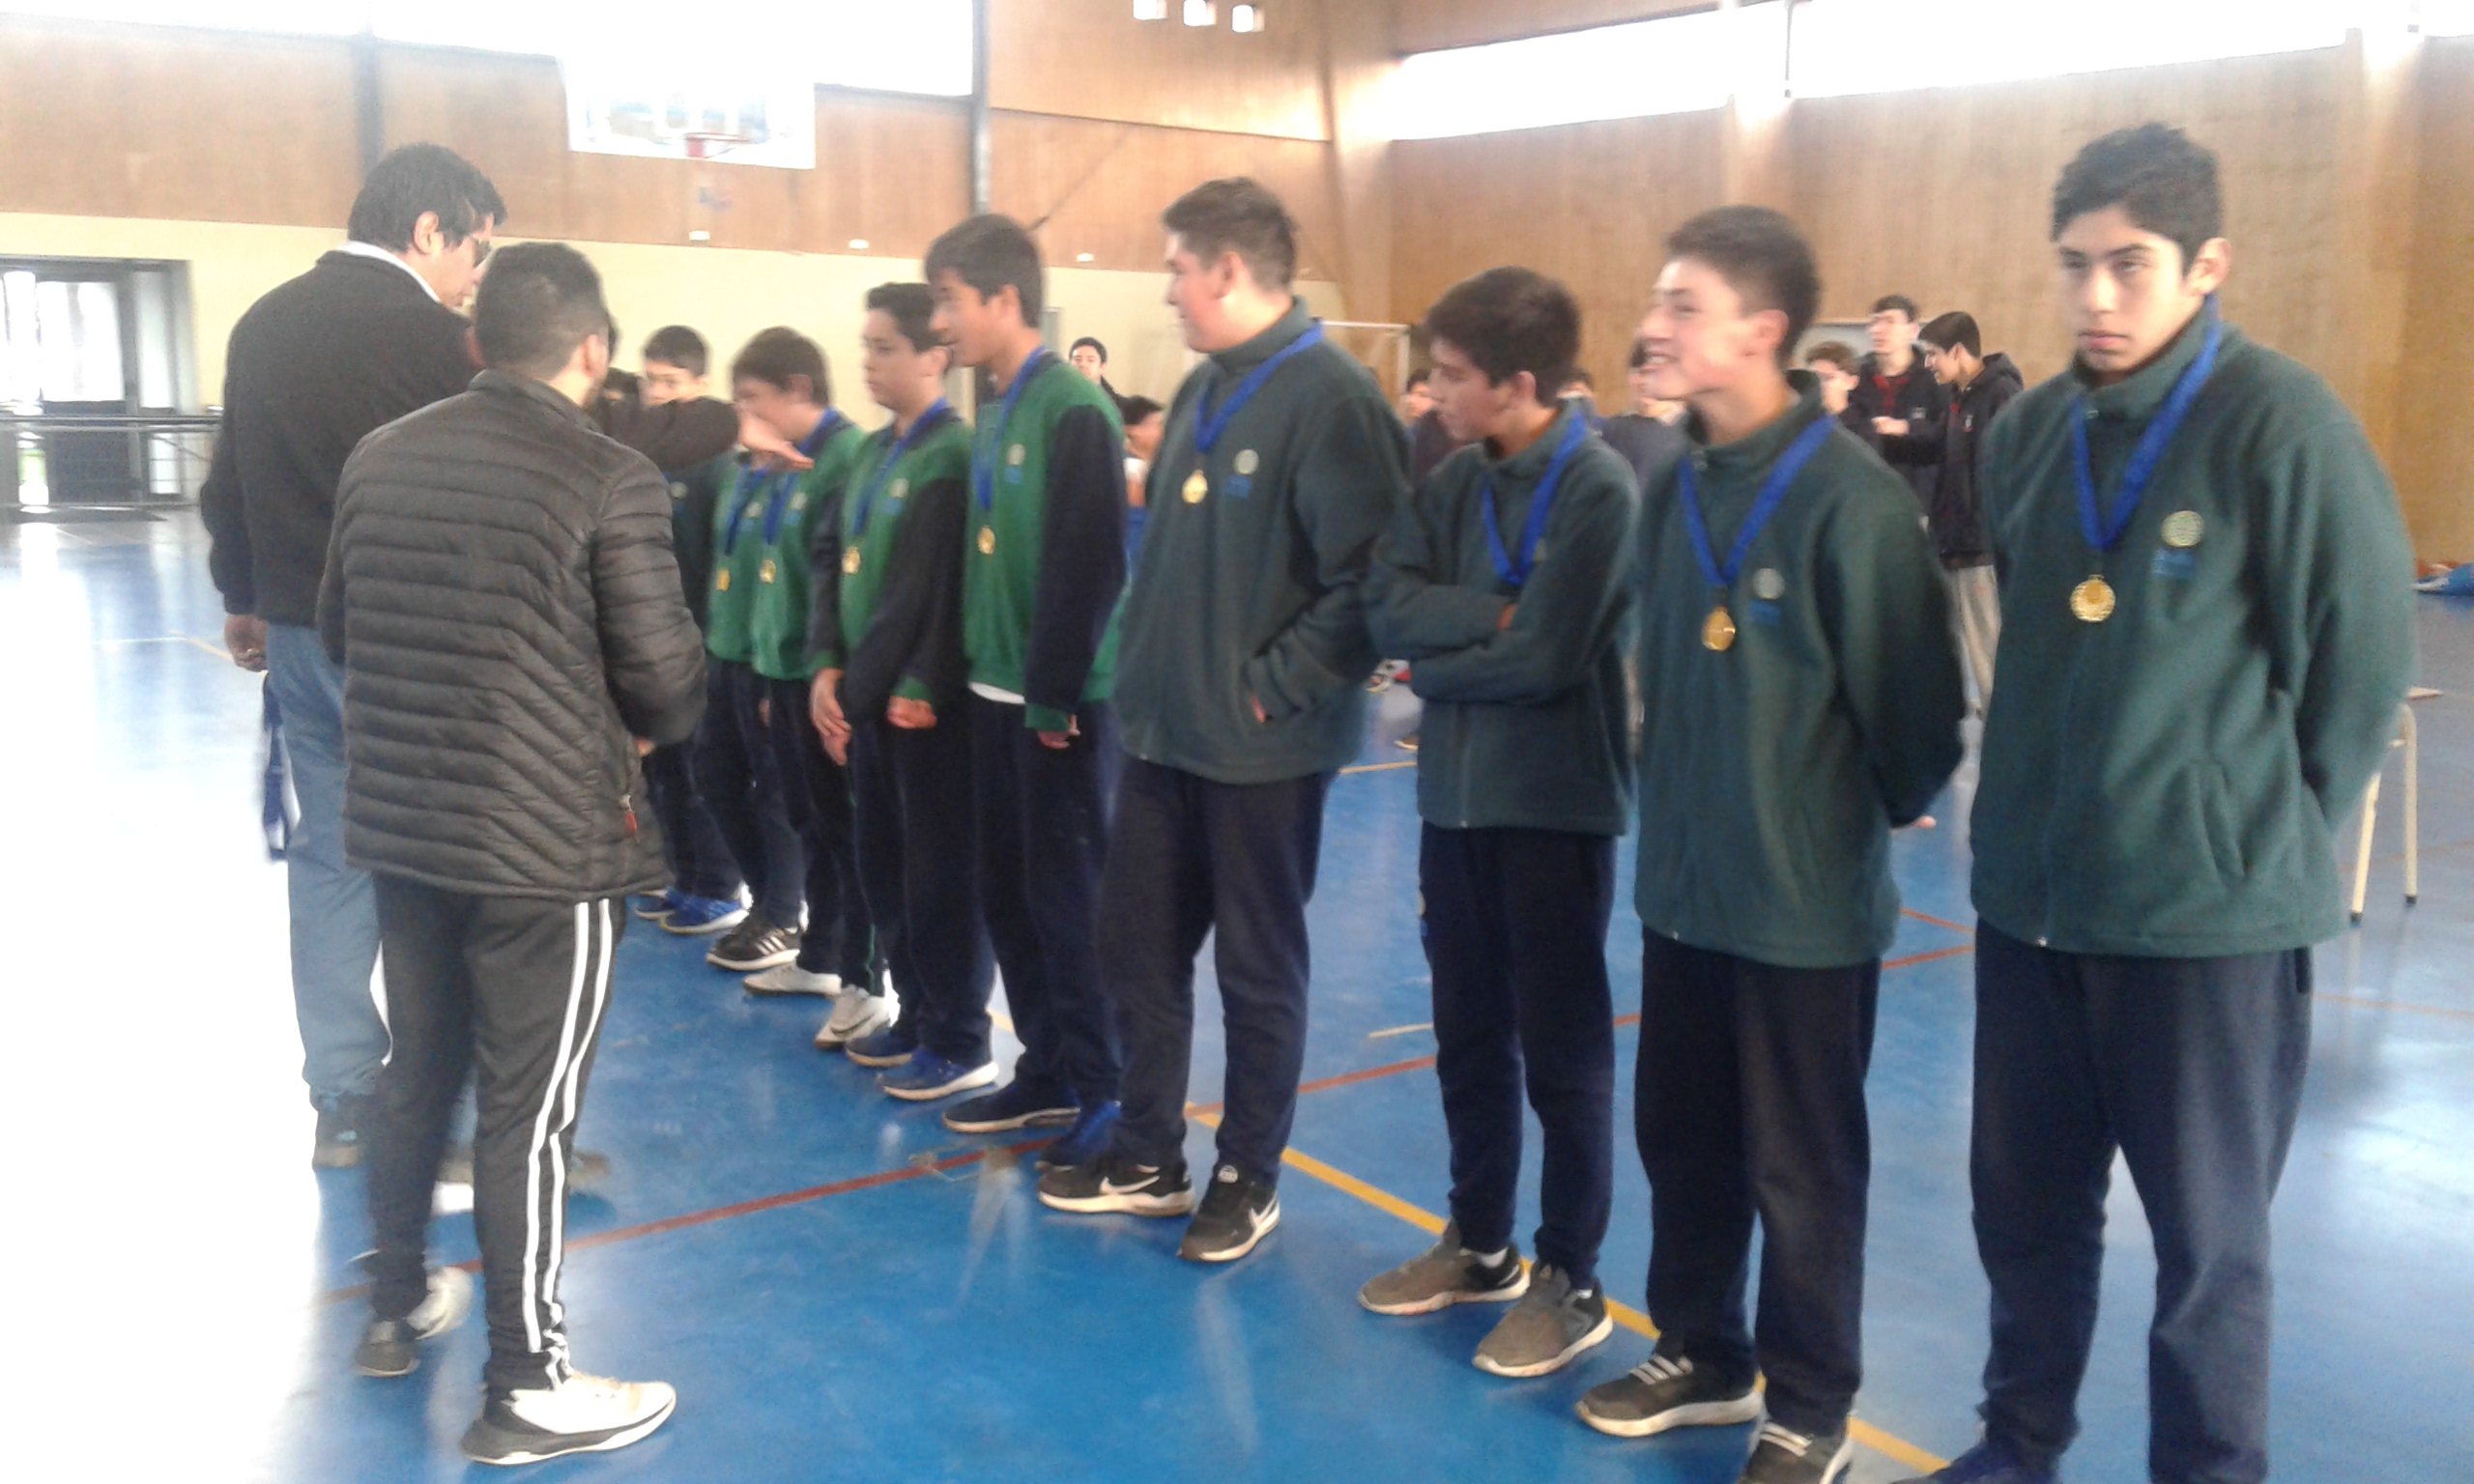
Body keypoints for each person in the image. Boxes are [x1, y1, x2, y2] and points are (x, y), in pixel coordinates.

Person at [1901, 124, 2416, 1484]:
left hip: (2204, 928)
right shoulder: (2030, 435)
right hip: (2033, 909)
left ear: (2207, 266)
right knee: (2024, 1215)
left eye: (2129, 265)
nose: (2096, 297)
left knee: (2206, 1250)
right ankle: (2019, 1444)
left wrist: (2249, 836)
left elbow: (2361, 665)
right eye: (2073, 265)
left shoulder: (2280, 424)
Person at [1575, 206, 1964, 1484]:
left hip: (1800, 911)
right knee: (1683, 1141)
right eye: (1660, 301)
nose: (1654, 325)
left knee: (1802, 1169)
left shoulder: (1851, 500)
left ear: (1764, 331)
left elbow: (1918, 718)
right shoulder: (1675, 482)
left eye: (1682, 305)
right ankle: (1702, 1352)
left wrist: (1821, 823)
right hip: (1684, 891)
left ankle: (1809, 1404)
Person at [321, 241, 699, 1465]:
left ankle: (394, 1303)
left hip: (412, 829)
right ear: (593, 349)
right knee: (529, 1116)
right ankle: (527, 1383)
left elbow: (340, 630)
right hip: (550, 850)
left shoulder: (381, 457)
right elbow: (665, 685)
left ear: (478, 343)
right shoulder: (609, 475)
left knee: (418, 1070)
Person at [1035, 177, 1408, 1263]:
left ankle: (1249, 1174)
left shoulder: (1334, 400)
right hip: (1164, 736)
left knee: (1255, 969)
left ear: (1229, 270)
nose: (1167, 293)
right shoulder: (1204, 386)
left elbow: (1370, 580)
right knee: (1137, 950)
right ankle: (1149, 1154)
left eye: (1176, 271)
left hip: (1261, 750)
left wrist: (1273, 684)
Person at [200, 143, 503, 1169]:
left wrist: (243, 595)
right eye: (476, 250)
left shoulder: (264, 321)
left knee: (331, 856)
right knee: (442, 864)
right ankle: (449, 1114)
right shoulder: (440, 342)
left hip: (300, 635)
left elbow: (229, 478)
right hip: (418, 642)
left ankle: (343, 1098)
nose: (476, 276)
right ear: (428, 230)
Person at [1361, 267, 1637, 1378]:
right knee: (1468, 1037)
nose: (1431, 393)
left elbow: (1548, 660)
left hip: (1552, 810)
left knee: (1562, 1054)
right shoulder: (1454, 479)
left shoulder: (1598, 490)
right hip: (1454, 807)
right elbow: (1386, 603)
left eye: (1450, 375)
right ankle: (1480, 1245)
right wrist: (1485, 618)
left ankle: (1571, 1278)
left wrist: (1435, 669)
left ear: (1518, 384)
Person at [920, 214, 1129, 1123]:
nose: (939, 323)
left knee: (1070, 906)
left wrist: (1052, 696)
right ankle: (1049, 1070)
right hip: (992, 696)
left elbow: (1089, 564)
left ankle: (1104, 1094)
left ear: (1003, 299)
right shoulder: (999, 407)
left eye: (949, 301)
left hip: (1059, 707)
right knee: (1009, 897)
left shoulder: (1074, 409)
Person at [807, 284, 992, 1075]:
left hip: (920, 708)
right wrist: (825, 663)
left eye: (885, 348)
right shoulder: (871, 451)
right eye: (867, 347)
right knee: (883, 863)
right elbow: (831, 561)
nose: (869, 363)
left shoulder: (950, 456)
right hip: (864, 696)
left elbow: (920, 598)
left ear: (935, 357)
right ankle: (916, 1013)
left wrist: (853, 696)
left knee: (938, 874)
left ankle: (961, 1035)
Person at [717, 329, 874, 996]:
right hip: (776, 665)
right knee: (809, 820)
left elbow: (836, 577)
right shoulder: (774, 464)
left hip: (820, 673)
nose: (747, 415)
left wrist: (826, 668)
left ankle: (855, 970)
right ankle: (821, 955)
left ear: (799, 390)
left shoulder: (845, 457)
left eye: (754, 399)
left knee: (839, 826)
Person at [594, 326, 746, 929]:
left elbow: (717, 561)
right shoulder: (640, 458)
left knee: (702, 768)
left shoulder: (715, 464)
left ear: (701, 385)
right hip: (649, 639)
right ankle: (679, 875)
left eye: (671, 382)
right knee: (662, 769)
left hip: (697, 638)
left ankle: (718, 886)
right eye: (650, 381)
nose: (657, 393)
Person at [1880, 311, 2023, 710]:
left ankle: (2001, 729)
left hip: (1979, 550)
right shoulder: (1960, 397)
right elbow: (1939, 450)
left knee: (1987, 652)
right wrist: (1891, 436)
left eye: (1933, 354)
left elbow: (2005, 474)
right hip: (1951, 544)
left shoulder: (2000, 395)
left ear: (1958, 352)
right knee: (1950, 647)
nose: (1928, 363)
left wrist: (1985, 531)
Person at [1850, 293, 1947, 510]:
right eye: (1875, 322)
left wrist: (1906, 428)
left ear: (1911, 330)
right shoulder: (1856, 377)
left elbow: (1947, 433)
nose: (1878, 329)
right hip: (1864, 497)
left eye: (1890, 321)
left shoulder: (1935, 377)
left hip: (1918, 499)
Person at [1601, 335, 1689, 490]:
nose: (1646, 381)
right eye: (1640, 373)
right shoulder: (1613, 428)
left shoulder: (1693, 430)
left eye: (1655, 373)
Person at [1121, 392, 1165, 565]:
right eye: (1155, 425)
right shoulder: (1130, 471)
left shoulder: (1157, 465)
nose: (1162, 432)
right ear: (1131, 430)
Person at [1804, 341, 1867, 437]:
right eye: (1813, 378)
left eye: (1827, 378)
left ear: (1851, 382)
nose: (1818, 385)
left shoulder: (1864, 428)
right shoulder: (1797, 420)